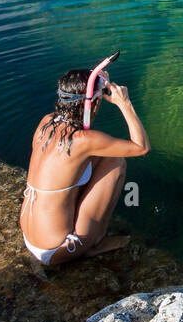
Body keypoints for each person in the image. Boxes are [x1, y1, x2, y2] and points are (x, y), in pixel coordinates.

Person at [19, 68, 150, 267]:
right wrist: (125, 103)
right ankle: (96, 241)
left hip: (31, 237)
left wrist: (96, 80)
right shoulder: (83, 140)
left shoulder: (46, 122)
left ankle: (84, 227)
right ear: (92, 103)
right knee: (117, 162)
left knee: (100, 157)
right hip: (59, 248)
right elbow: (141, 148)